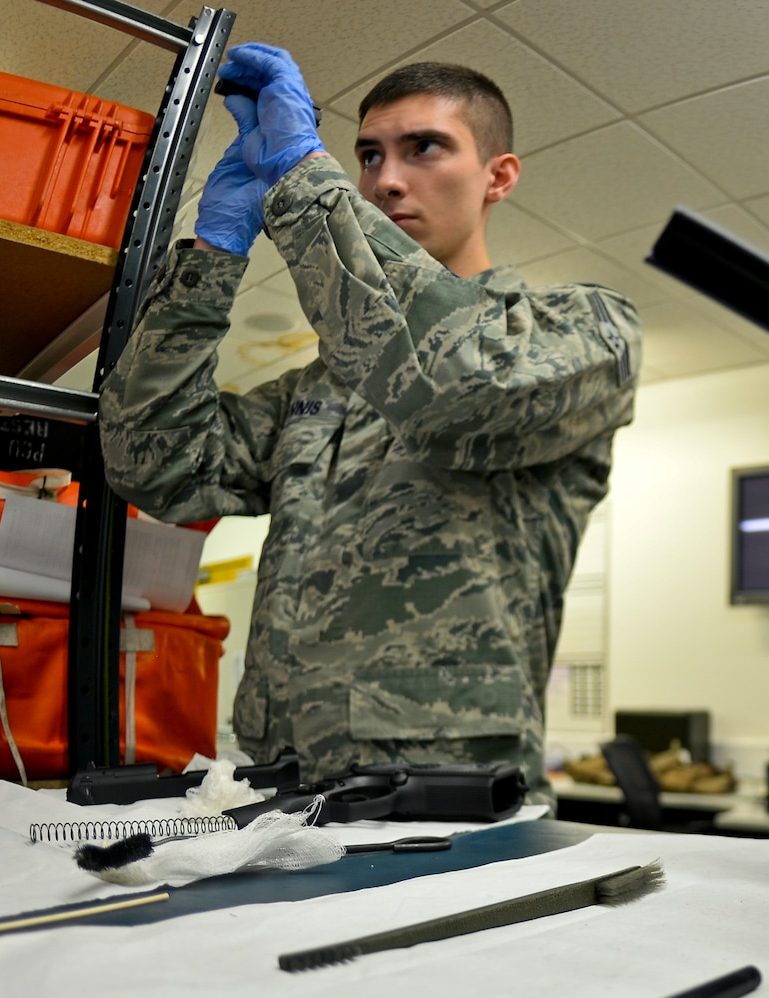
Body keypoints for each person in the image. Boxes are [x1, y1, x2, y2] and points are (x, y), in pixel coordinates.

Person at [100, 50, 640, 791]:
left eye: (425, 149)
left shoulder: (584, 331)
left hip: (447, 799)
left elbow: (451, 383)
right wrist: (208, 262)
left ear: (499, 176)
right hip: (283, 788)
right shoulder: (316, 389)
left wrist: (302, 179)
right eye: (368, 155)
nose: (386, 180)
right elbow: (154, 464)